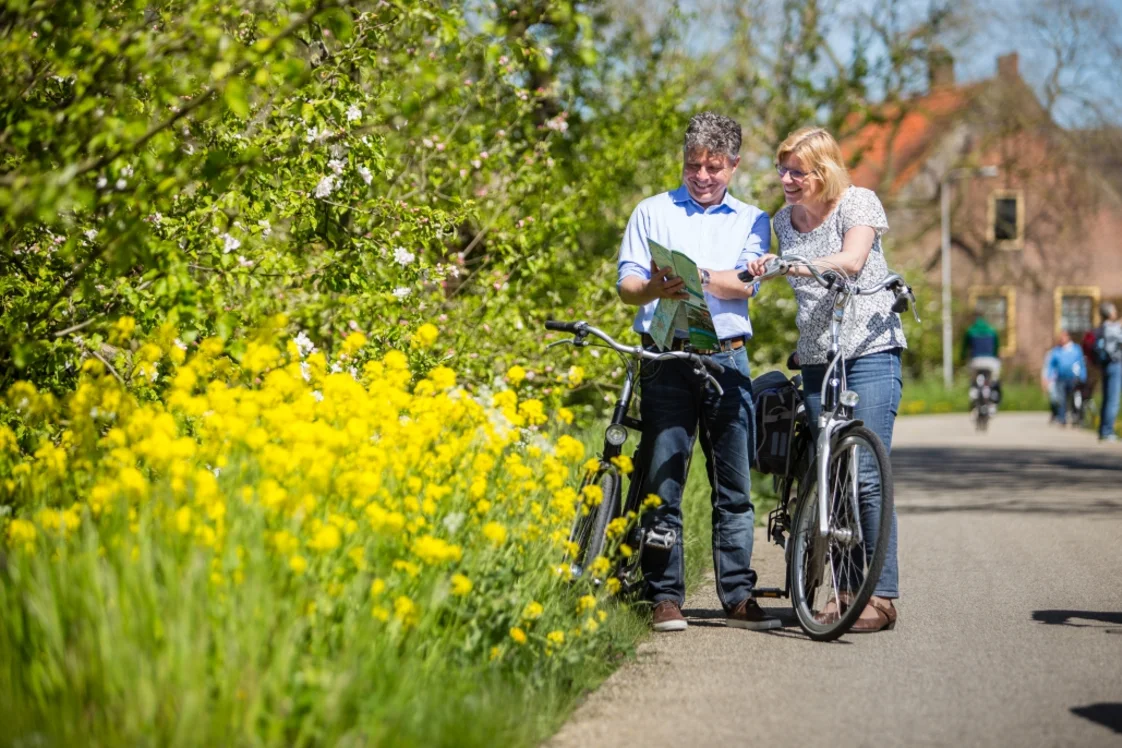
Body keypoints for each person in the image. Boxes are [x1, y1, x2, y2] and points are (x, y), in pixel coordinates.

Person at [616, 111, 778, 632]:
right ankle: (664, 595)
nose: (702, 176)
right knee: (665, 481)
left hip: (727, 358)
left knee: (733, 485)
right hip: (667, 355)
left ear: (732, 165)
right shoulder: (651, 211)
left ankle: (736, 594)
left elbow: (746, 285)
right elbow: (626, 285)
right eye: (692, 166)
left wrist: (698, 276)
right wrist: (654, 288)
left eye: (713, 166)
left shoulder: (753, 219)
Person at [746, 126, 905, 633]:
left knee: (865, 475)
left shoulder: (858, 203)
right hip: (818, 355)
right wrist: (763, 266)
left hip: (871, 348)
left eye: (799, 172)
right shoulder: (782, 221)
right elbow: (774, 268)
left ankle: (880, 597)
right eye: (783, 170)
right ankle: (843, 592)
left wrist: (789, 264)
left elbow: (854, 260)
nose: (788, 180)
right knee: (830, 474)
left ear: (825, 172)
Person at [1041, 330, 1087, 425]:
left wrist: (1083, 376)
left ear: (1068, 337)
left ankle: (1075, 416)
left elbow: (1081, 363)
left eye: (1063, 337)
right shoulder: (1056, 351)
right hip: (1061, 378)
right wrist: (1048, 377)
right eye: (1060, 338)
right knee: (1061, 399)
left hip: (1073, 378)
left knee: (1074, 398)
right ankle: (1062, 419)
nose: (1062, 339)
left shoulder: (1076, 349)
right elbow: (1051, 365)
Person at [1093, 302, 1122, 441]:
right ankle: (1108, 431)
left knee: (1106, 398)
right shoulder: (1114, 329)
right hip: (1115, 364)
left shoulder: (1103, 328)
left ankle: (1102, 429)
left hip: (1105, 365)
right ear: (1110, 313)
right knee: (1113, 400)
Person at [962, 313, 1002, 411]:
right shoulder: (992, 331)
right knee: (993, 380)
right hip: (991, 362)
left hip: (976, 361)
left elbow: (964, 349)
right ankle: (993, 397)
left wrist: (962, 358)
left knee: (973, 379)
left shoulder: (970, 331)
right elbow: (996, 348)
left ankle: (973, 393)